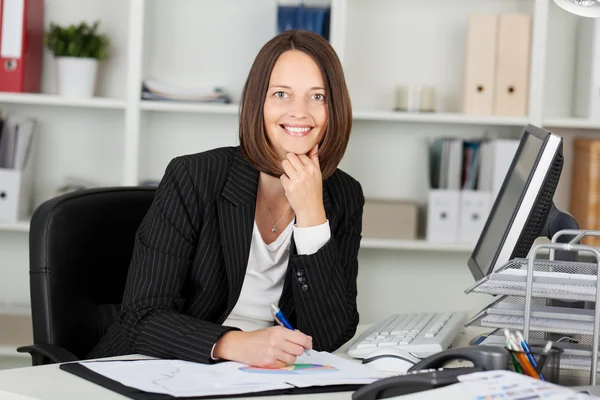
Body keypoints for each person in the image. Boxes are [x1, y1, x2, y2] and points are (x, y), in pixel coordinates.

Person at [88, 29, 364, 368]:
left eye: (318, 97)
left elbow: (329, 335)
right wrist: (233, 344)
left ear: (335, 107)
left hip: (258, 378)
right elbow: (141, 316)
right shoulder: (195, 177)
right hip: (158, 368)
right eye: (281, 94)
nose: (300, 112)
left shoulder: (344, 195)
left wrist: (312, 218)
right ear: (257, 103)